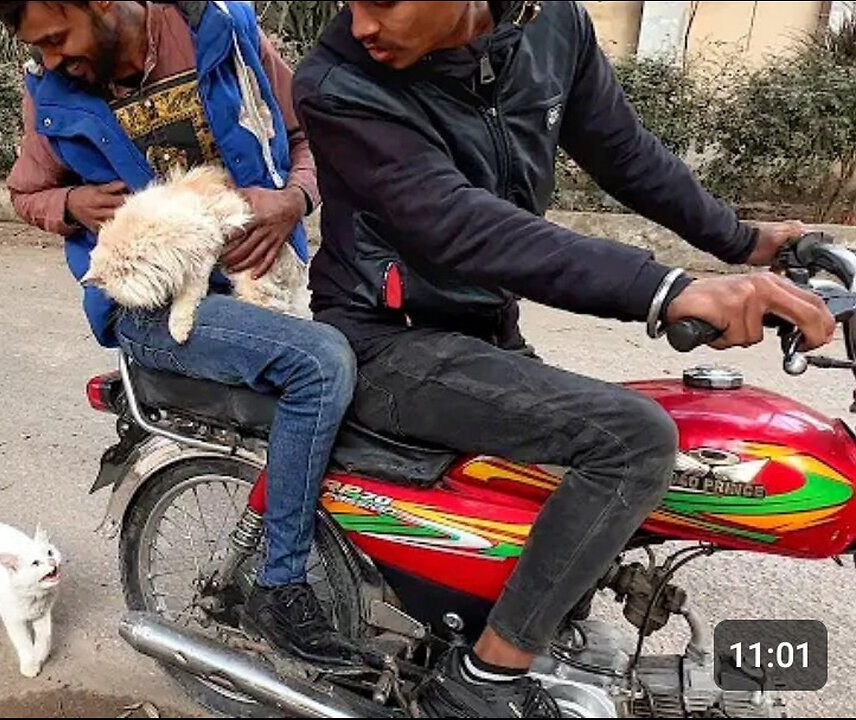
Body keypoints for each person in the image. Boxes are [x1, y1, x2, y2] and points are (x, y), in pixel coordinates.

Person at [292, 1, 836, 716]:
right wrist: (669, 289)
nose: (361, 23)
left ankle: (507, 628)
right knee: (631, 438)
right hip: (387, 339)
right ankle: (480, 685)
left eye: (383, 1)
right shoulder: (338, 80)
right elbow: (459, 225)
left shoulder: (555, 27)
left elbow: (624, 152)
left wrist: (743, 242)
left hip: (484, 324)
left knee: (644, 460)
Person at [0, 0, 360, 667]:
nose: (52, 61)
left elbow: (306, 140)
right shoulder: (49, 92)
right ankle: (281, 585)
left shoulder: (226, 34)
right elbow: (24, 192)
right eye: (40, 48)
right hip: (154, 309)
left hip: (264, 279)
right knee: (321, 363)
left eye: (56, 38)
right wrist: (70, 204)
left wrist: (293, 200)